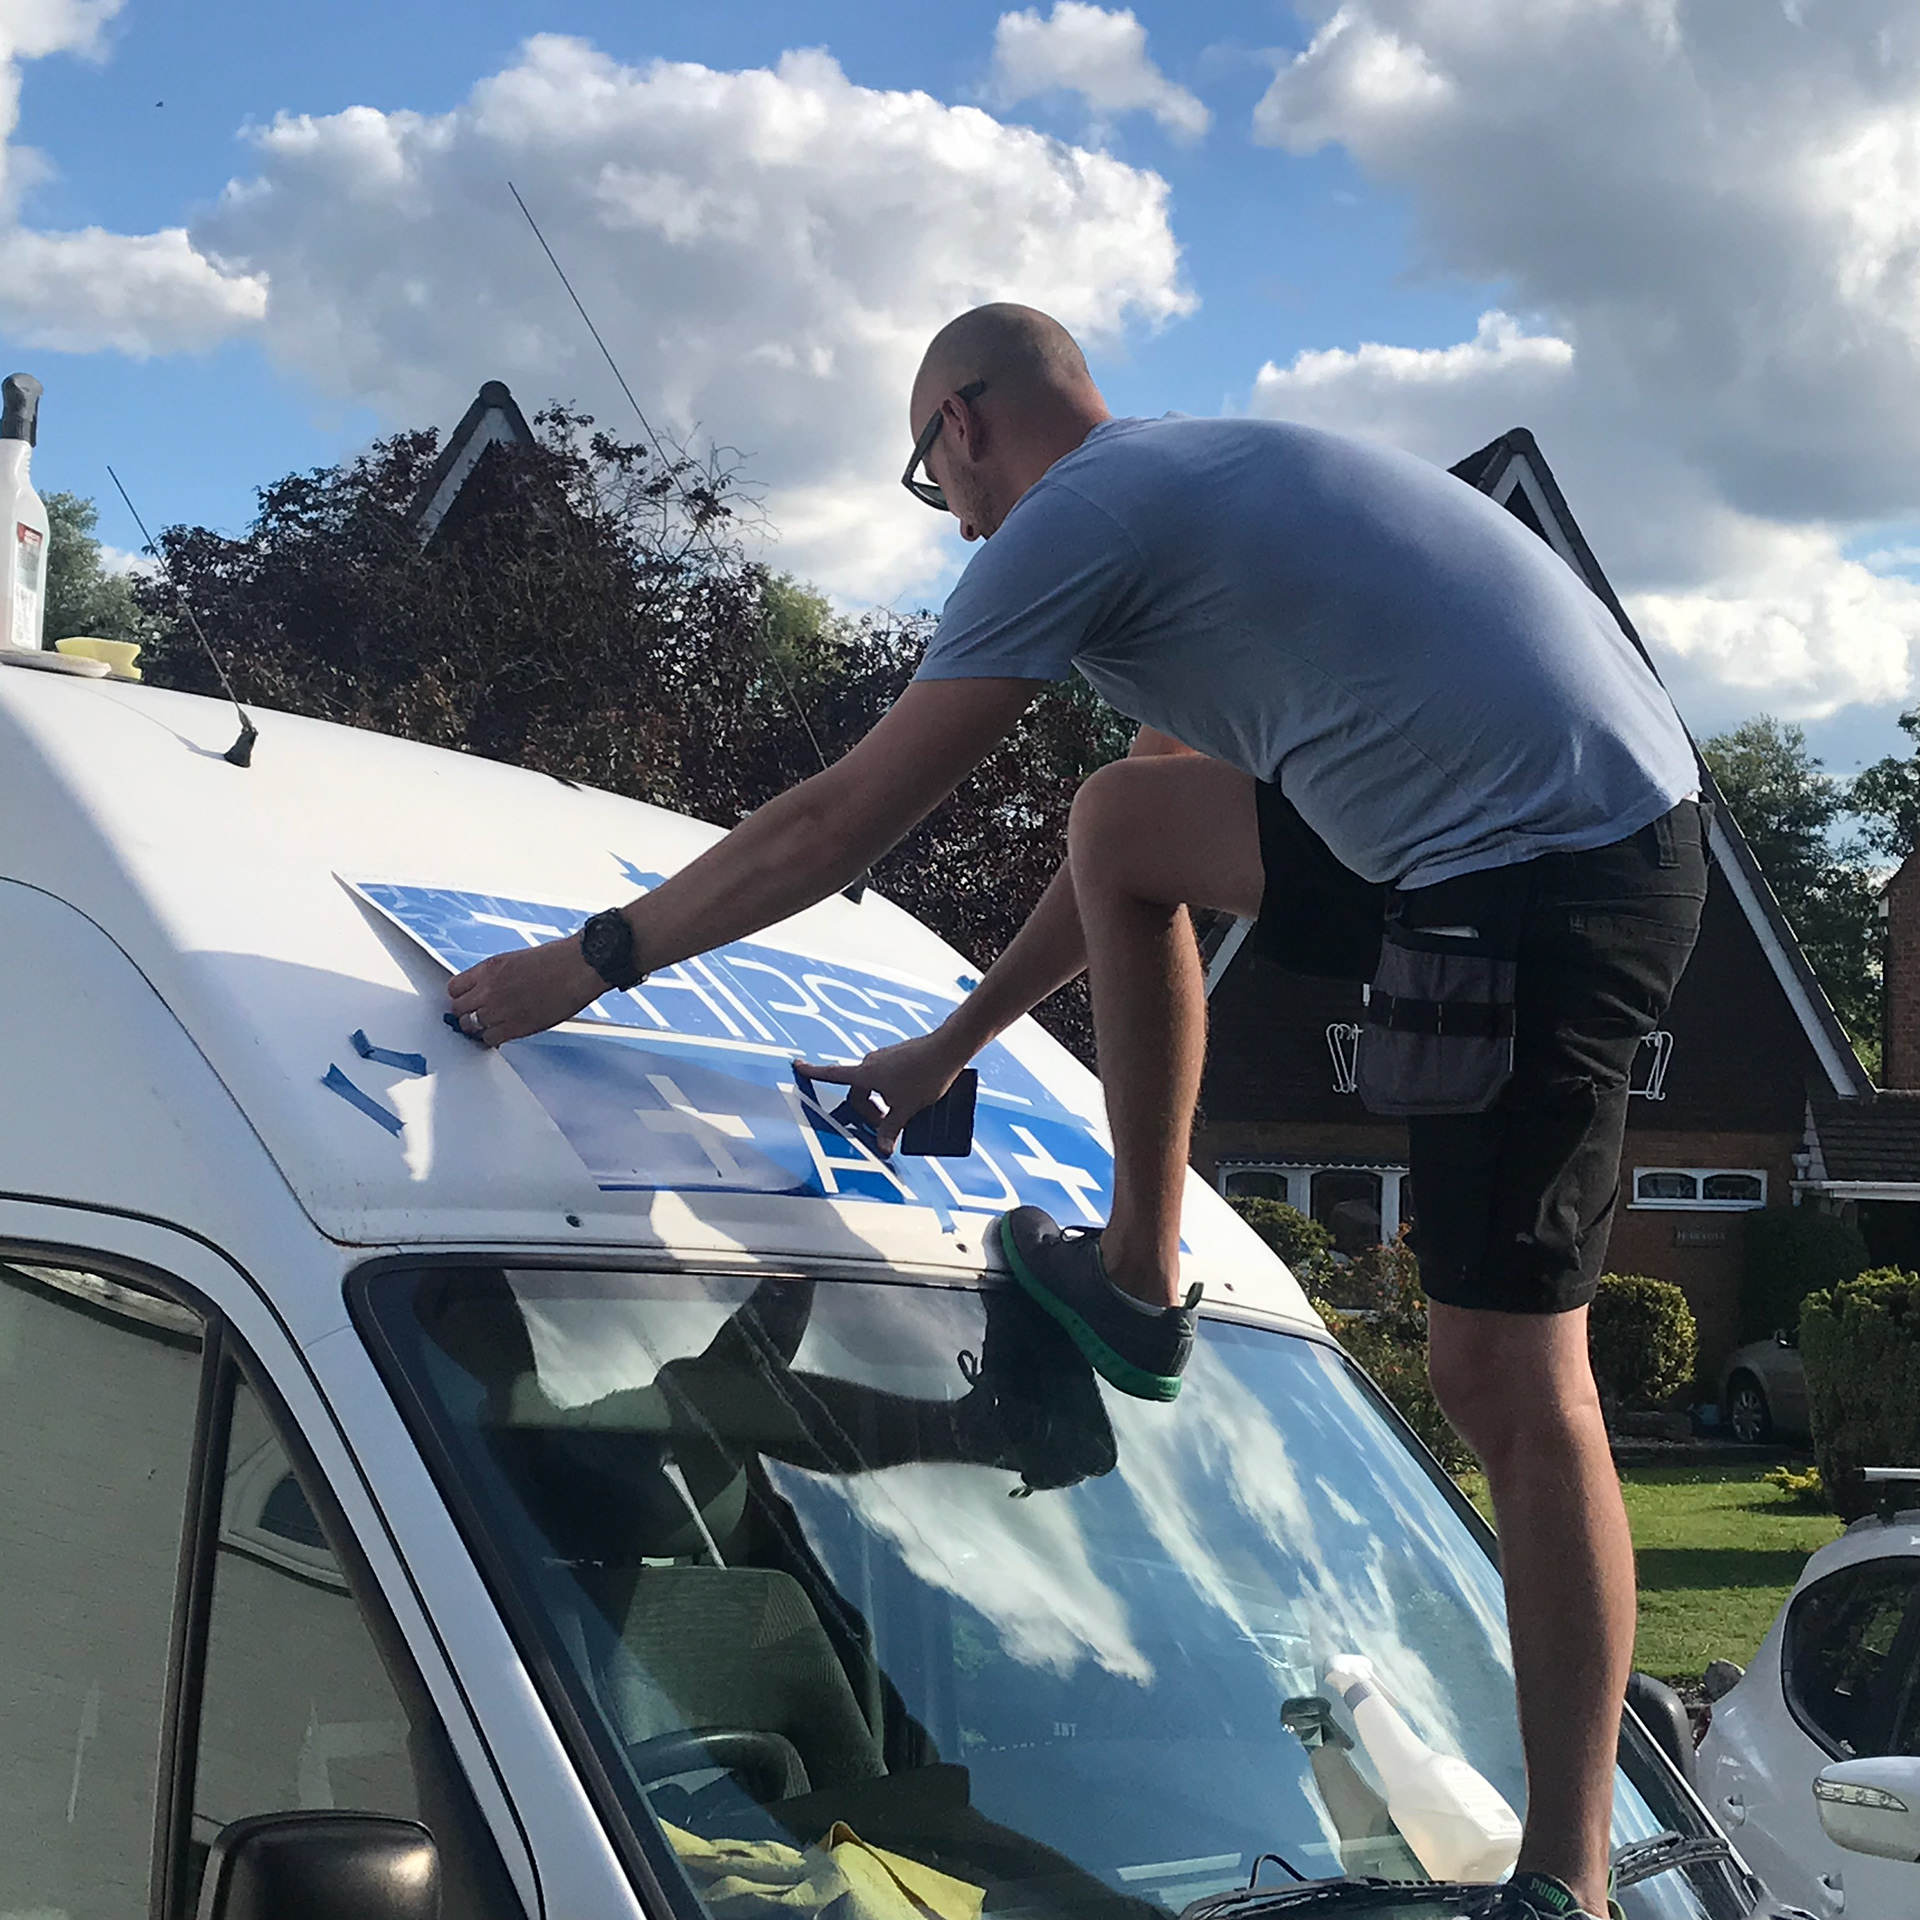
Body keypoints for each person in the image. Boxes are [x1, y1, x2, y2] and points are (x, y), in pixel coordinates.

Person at [445, 303, 1706, 1920]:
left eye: (931, 475)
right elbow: (1130, 853)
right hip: (1508, 834)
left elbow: (843, 820)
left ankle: (1569, 1885)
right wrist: (947, 1043)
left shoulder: (1082, 520)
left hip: (1547, 864)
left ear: (963, 424)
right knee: (1121, 815)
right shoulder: (1185, 524)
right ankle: (1137, 1272)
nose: (949, 513)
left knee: (1512, 1376)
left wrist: (593, 960)